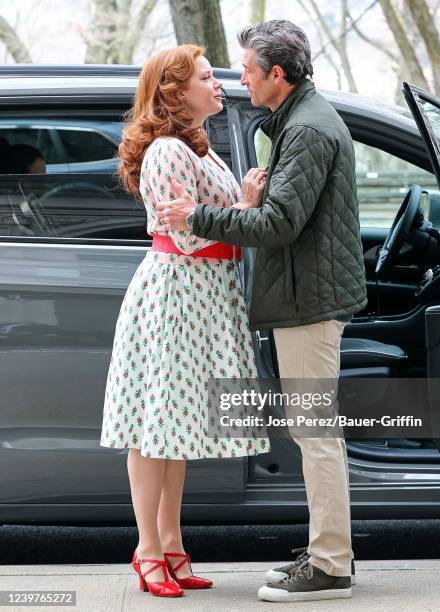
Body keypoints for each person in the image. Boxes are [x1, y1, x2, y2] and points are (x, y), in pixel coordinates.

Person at [156, 20, 367, 603]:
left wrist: (195, 216)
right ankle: (327, 550)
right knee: (313, 431)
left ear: (278, 73)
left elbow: (277, 225)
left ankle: (330, 566)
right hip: (304, 296)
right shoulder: (300, 121)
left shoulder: (308, 130)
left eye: (248, 68)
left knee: (315, 433)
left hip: (309, 302)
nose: (239, 77)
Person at [99, 44, 270, 599]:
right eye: (204, 76)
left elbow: (205, 219)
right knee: (154, 430)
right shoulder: (169, 150)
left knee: (174, 430)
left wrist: (240, 209)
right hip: (177, 293)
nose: (218, 83)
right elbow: (188, 234)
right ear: (175, 92)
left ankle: (170, 544)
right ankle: (148, 549)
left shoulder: (195, 146)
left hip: (201, 295)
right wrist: (244, 211)